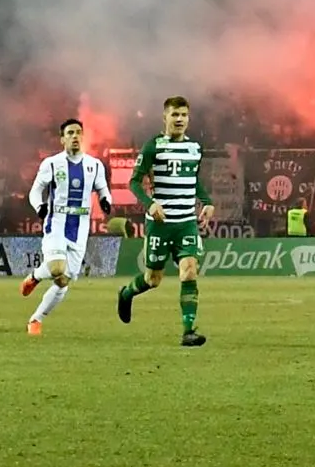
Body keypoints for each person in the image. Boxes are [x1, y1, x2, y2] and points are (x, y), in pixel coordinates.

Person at [116, 95, 214, 347]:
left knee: (189, 270)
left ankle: (188, 331)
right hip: (160, 224)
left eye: (183, 115)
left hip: (186, 223)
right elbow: (134, 182)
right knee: (153, 279)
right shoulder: (153, 147)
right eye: (175, 115)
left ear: (188, 118)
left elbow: (194, 180)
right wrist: (150, 203)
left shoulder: (195, 149)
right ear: (165, 117)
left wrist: (207, 201)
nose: (179, 119)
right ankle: (126, 293)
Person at [21, 118, 113, 335]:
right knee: (56, 268)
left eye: (78, 132)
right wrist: (39, 206)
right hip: (57, 222)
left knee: (63, 282)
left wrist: (106, 201)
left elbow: (102, 189)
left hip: (81, 227)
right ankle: (35, 276)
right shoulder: (52, 164)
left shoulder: (94, 165)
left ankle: (36, 319)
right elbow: (35, 190)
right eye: (70, 133)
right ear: (62, 139)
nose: (75, 136)